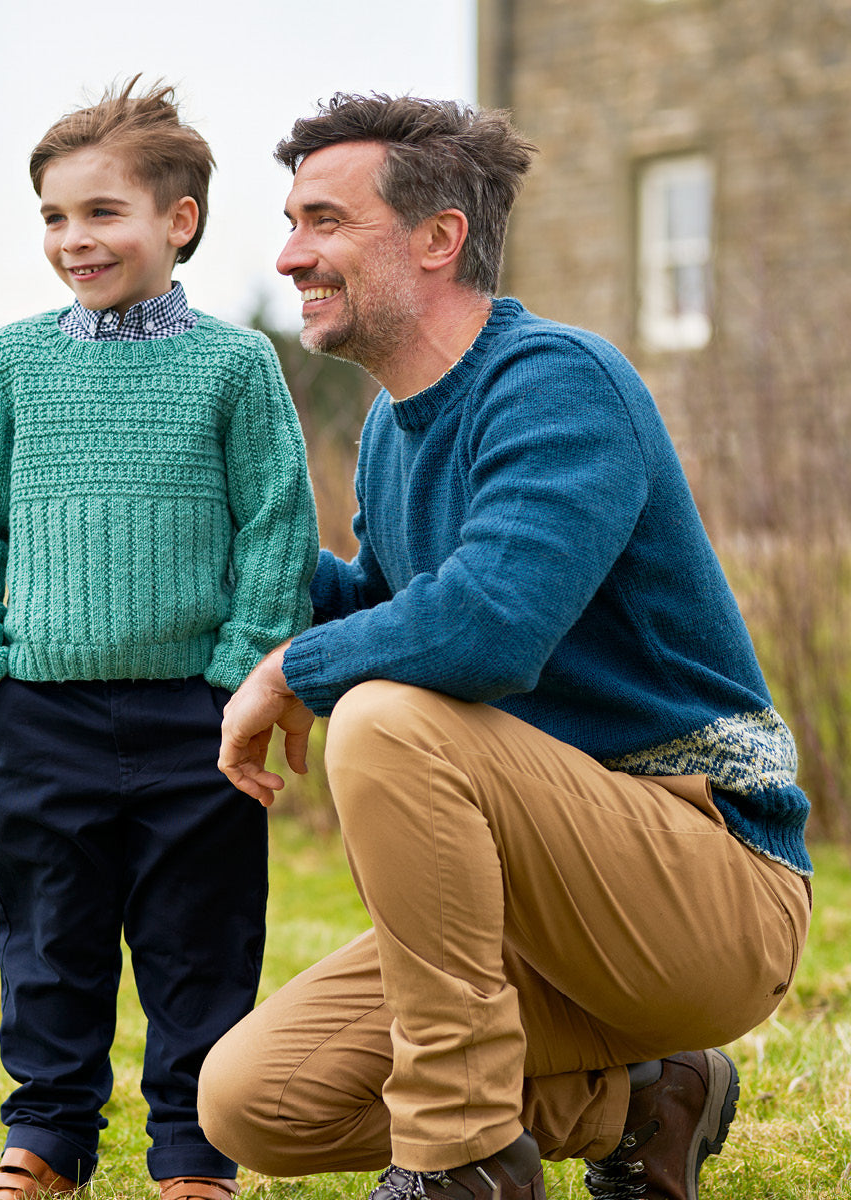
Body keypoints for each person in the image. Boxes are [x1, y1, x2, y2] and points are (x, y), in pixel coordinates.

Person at [198, 93, 812, 1200]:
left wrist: (295, 671)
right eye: (291, 222)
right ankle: (651, 1099)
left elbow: (486, 629)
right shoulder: (392, 429)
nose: (290, 255)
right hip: (539, 898)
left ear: (439, 237)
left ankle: (462, 1165)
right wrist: (240, 549)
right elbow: (391, 614)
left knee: (386, 719)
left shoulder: (560, 385)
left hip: (712, 881)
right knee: (253, 1098)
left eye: (325, 220)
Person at [0, 77, 318, 1200]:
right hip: (41, 710)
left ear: (178, 221)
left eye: (102, 213)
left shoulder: (235, 366)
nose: (74, 239)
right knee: (50, 941)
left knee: (201, 946)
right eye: (54, 216)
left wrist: (242, 666)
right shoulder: (14, 362)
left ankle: (194, 1158)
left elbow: (278, 524)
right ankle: (46, 1140)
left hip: (198, 716)